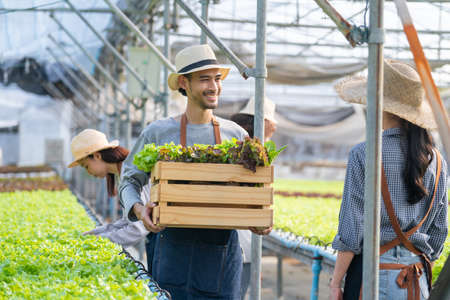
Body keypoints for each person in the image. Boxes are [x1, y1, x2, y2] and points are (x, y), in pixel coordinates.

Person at [119, 44, 272, 299]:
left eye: (216, 79)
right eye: (204, 79)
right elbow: (129, 181)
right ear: (184, 83)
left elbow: (253, 190)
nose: (213, 87)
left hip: (222, 249)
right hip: (171, 246)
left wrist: (258, 217)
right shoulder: (158, 132)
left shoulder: (236, 135)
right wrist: (138, 209)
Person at [330, 60, 448, 300]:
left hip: (372, 276)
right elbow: (438, 231)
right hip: (416, 277)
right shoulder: (436, 159)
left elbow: (352, 229)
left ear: (379, 105)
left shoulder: (365, 153)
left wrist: (335, 283)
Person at [67, 129, 151, 254]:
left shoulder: (131, 172)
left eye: (86, 166)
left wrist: (99, 242)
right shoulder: (120, 172)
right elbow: (130, 219)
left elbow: (138, 228)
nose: (88, 172)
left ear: (97, 156)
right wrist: (97, 233)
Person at [230, 96, 278, 299]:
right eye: (272, 123)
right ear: (264, 122)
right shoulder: (253, 153)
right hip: (241, 240)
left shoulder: (236, 145)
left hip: (239, 238)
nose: (275, 128)